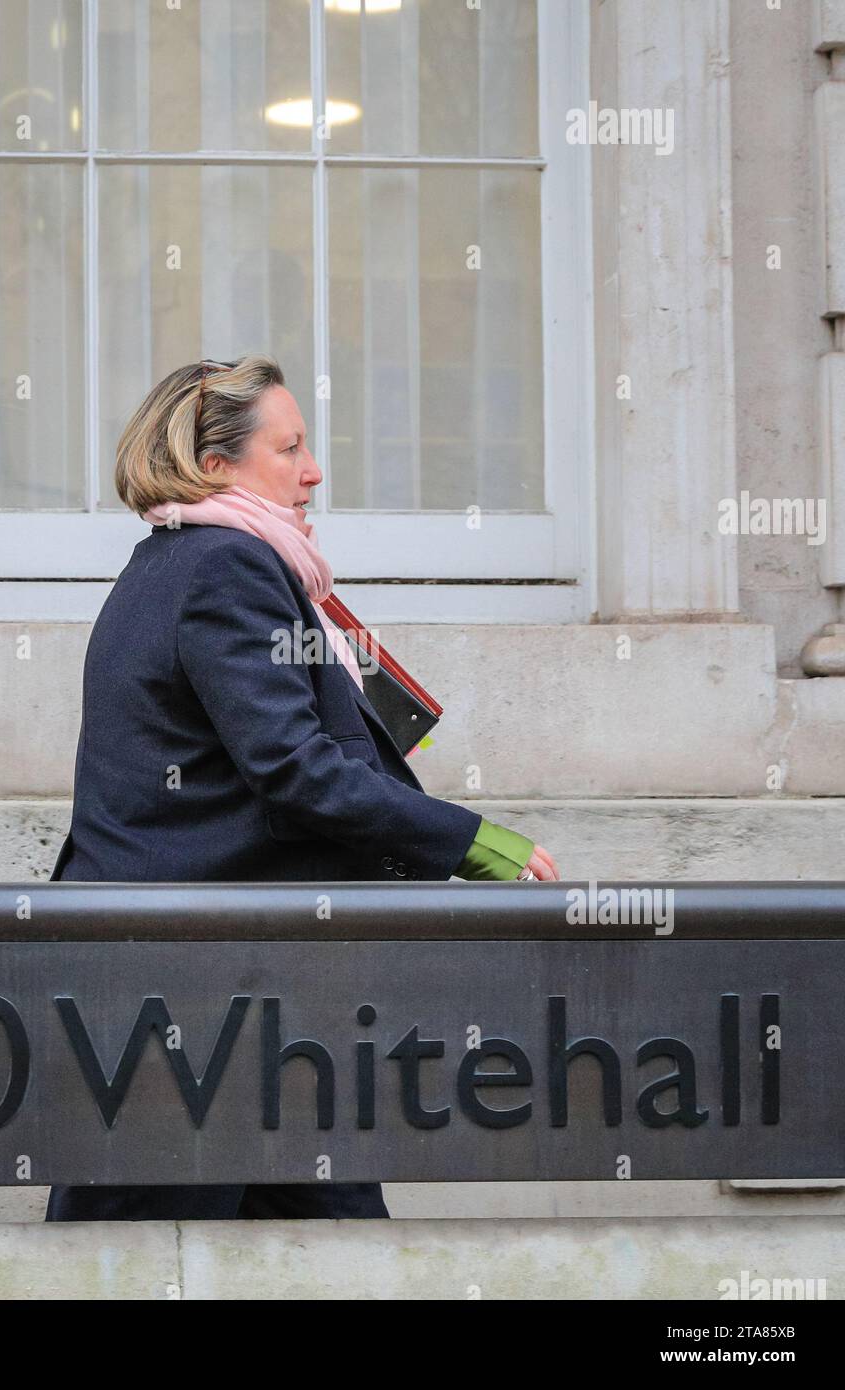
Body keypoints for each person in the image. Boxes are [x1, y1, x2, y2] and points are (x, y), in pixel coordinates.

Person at [45, 355, 560, 1222]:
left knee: (326, 1240)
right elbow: (297, 771)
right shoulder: (224, 569)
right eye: (289, 449)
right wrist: (475, 845)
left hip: (242, 993)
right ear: (216, 466)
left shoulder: (190, 562)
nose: (313, 470)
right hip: (196, 995)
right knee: (136, 1251)